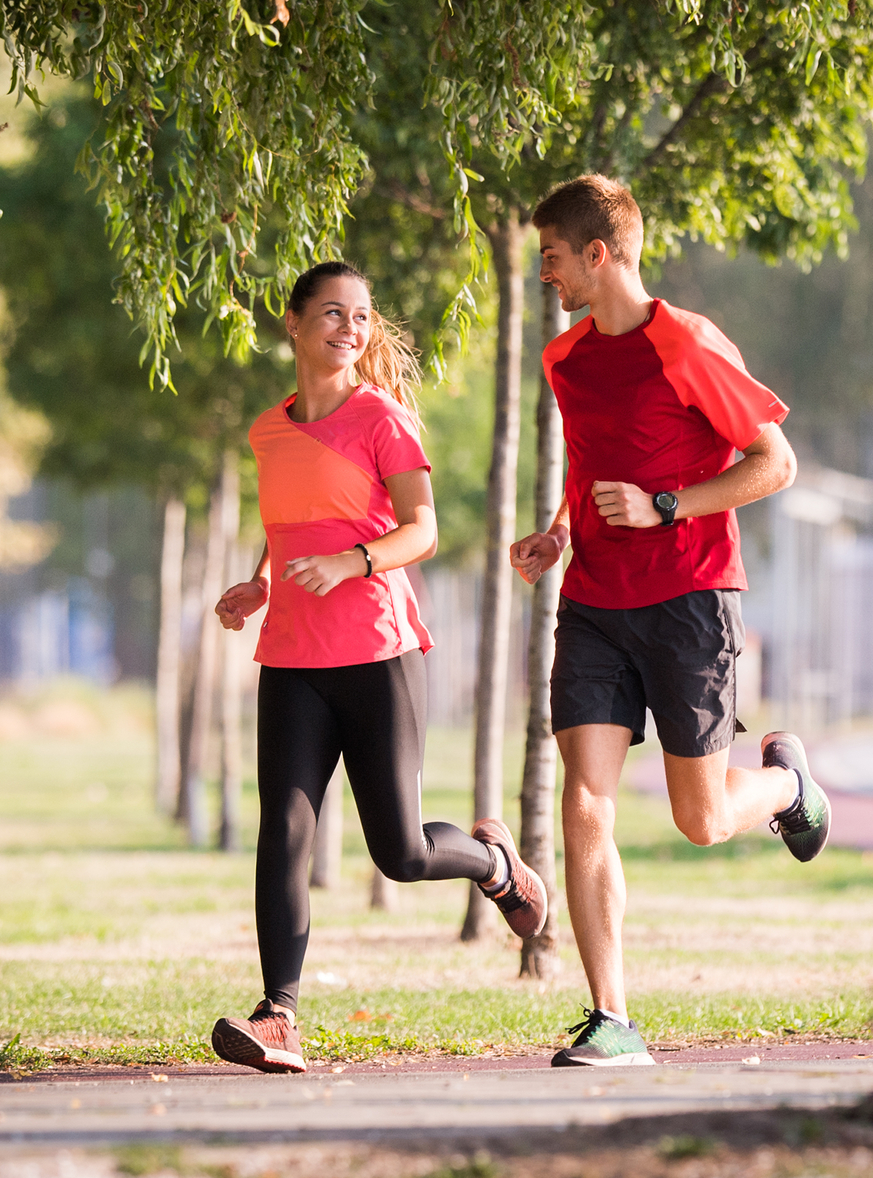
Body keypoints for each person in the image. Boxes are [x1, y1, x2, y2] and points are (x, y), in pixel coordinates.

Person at [511, 176, 832, 1068]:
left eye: (554, 257)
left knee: (702, 820)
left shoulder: (686, 344)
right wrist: (558, 533)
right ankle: (611, 1017)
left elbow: (776, 463)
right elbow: (590, 464)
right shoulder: (564, 358)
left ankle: (789, 787)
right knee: (585, 799)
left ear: (600, 255)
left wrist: (666, 505)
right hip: (594, 605)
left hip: (690, 598)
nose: (548, 274)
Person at [209, 260, 547, 1073]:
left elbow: (421, 529)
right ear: (292, 324)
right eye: (332, 313)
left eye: (360, 317)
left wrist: (356, 562)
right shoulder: (268, 429)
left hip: (377, 651)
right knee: (283, 830)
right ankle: (279, 1015)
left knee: (399, 850)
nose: (349, 329)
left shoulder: (381, 417)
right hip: (291, 653)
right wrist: (259, 580)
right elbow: (292, 519)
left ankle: (497, 866)